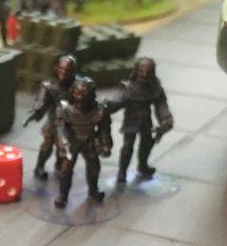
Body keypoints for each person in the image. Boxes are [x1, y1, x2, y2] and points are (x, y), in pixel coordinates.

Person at [108, 57, 173, 185]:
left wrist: (166, 118)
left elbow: (161, 105)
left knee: (147, 144)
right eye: (141, 71)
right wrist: (106, 107)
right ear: (136, 71)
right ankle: (122, 171)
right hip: (131, 121)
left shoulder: (155, 87)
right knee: (127, 148)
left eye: (148, 72)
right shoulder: (128, 88)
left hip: (146, 122)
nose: (144, 75)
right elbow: (117, 102)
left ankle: (143, 165)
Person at [54, 76, 112, 209]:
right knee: (66, 168)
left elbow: (104, 129)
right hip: (72, 141)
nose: (79, 96)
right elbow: (61, 128)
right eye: (76, 92)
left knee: (94, 167)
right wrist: (64, 143)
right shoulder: (64, 109)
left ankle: (93, 190)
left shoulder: (100, 109)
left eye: (83, 92)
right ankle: (63, 195)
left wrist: (105, 144)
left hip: (90, 140)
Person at [24, 55, 78, 180]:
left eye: (67, 70)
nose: (63, 73)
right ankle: (39, 167)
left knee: (62, 147)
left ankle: (59, 166)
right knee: (47, 145)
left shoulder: (77, 86)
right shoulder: (49, 87)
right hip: (53, 121)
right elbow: (41, 103)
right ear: (56, 68)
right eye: (61, 69)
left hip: (69, 123)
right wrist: (35, 111)